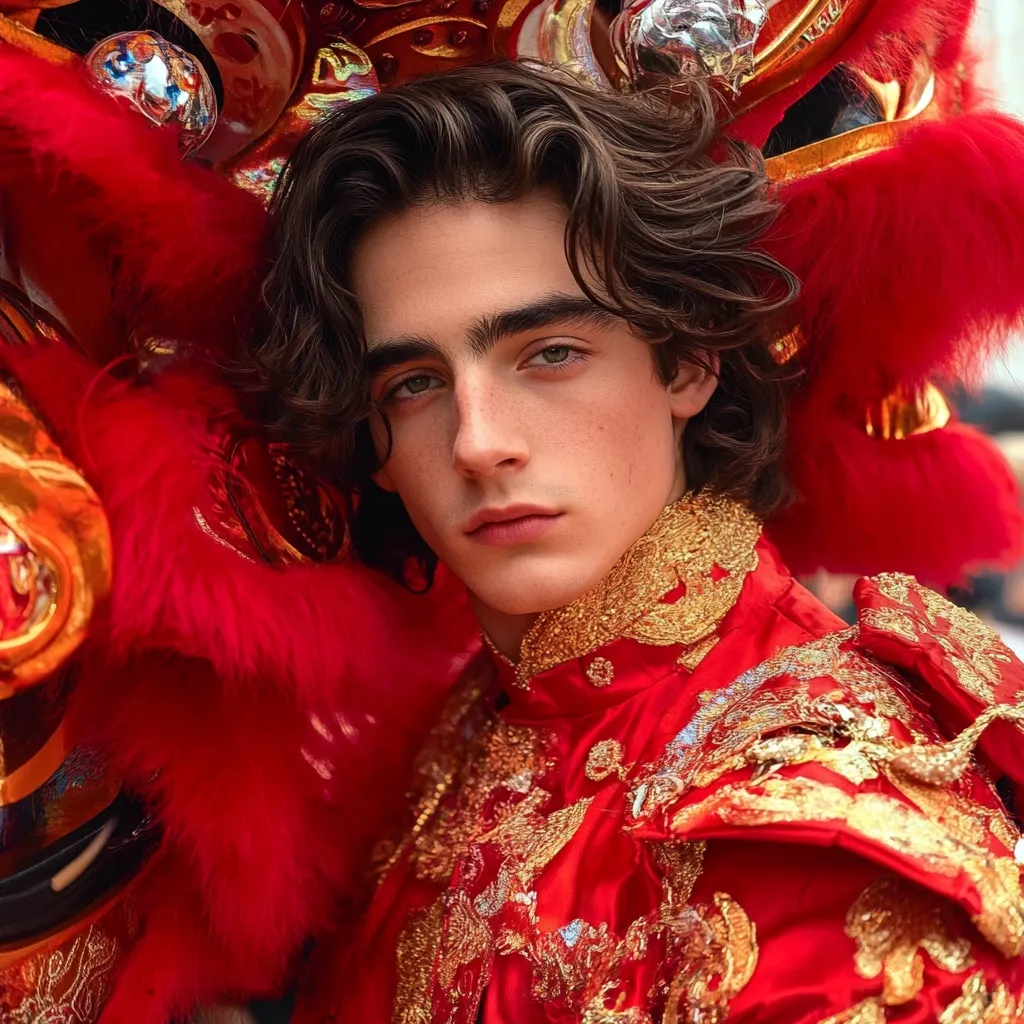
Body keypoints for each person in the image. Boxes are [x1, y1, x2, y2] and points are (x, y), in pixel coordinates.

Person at [246, 61, 1024, 1022]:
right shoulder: (455, 732)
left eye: (550, 354)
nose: (479, 442)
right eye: (414, 382)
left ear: (688, 360)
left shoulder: (809, 813)